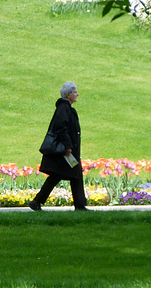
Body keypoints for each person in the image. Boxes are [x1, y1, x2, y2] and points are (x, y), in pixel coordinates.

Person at [29, 82, 89, 212]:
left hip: (67, 150)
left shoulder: (65, 108)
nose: (77, 94)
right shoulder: (64, 109)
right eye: (75, 92)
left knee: (71, 174)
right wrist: (68, 147)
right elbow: (61, 129)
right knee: (69, 174)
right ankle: (78, 205)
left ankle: (38, 201)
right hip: (65, 151)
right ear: (68, 95)